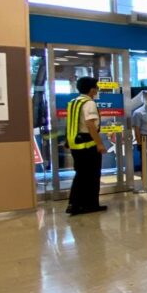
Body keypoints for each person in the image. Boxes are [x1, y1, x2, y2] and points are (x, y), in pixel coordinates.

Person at [65, 77, 108, 215]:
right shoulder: (89, 103)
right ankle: (90, 204)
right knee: (92, 174)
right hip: (87, 143)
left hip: (75, 143)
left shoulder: (74, 102)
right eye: (96, 86)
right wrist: (99, 144)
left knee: (81, 174)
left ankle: (75, 204)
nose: (98, 89)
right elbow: (90, 125)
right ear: (91, 89)